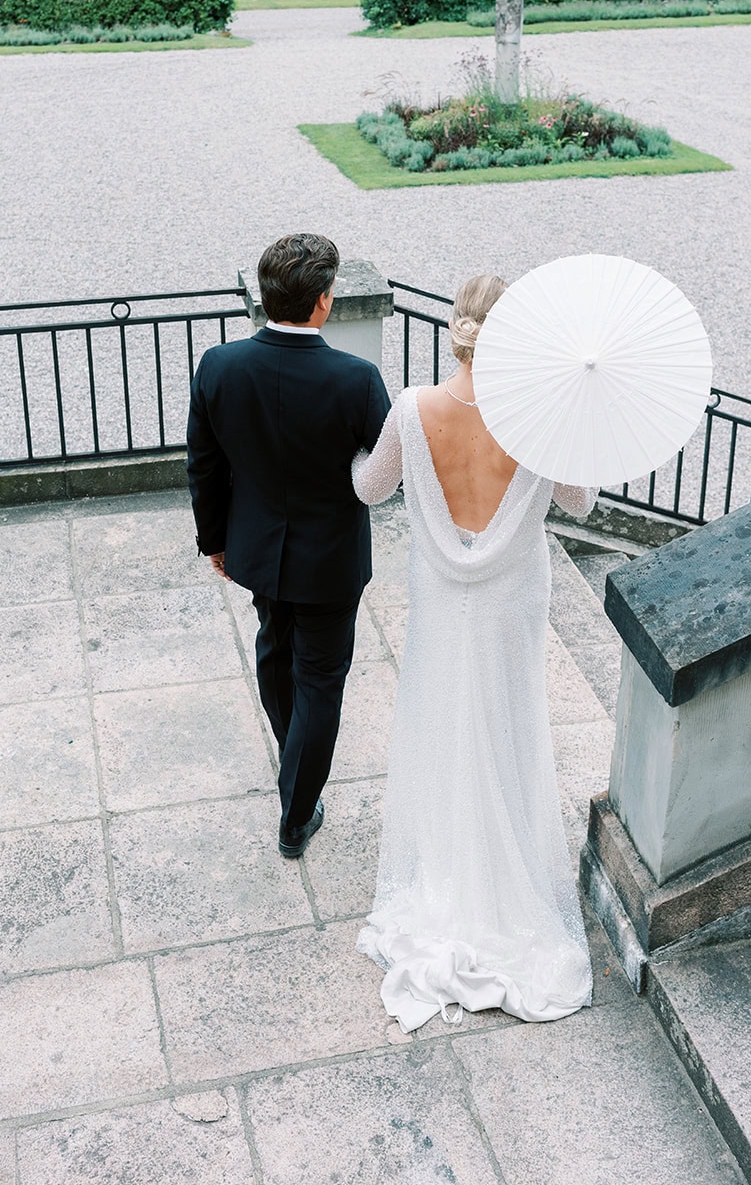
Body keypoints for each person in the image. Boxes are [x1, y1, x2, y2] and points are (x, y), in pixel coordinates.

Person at [352, 273, 595, 1031]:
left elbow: (369, 489)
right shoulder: (539, 418)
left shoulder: (413, 408)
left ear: (457, 326)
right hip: (511, 599)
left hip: (440, 595)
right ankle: (502, 876)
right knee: (506, 725)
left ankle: (450, 868)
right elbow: (580, 503)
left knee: (442, 722)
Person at [187, 233, 391, 859]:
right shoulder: (356, 380)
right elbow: (385, 468)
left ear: (264, 296)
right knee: (321, 681)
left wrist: (215, 542)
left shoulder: (219, 366)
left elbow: (203, 466)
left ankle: (293, 759)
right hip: (329, 564)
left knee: (275, 654)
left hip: (257, 555)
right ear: (324, 301)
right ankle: (296, 813)